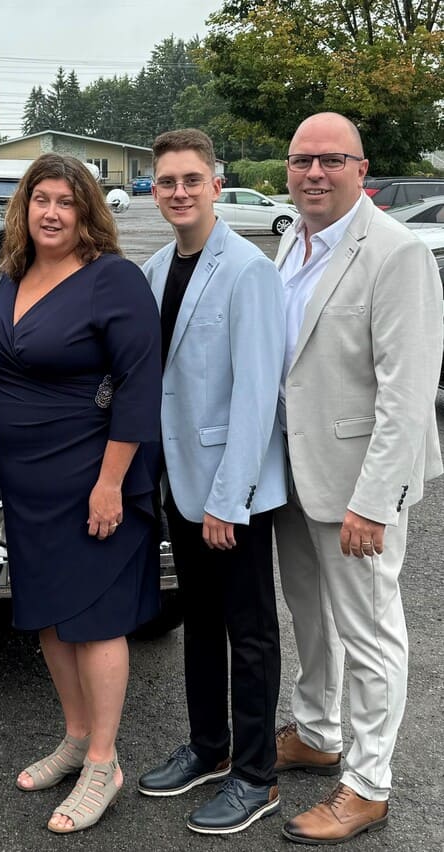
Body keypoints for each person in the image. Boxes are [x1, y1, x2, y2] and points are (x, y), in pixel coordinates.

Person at [0, 152, 162, 834]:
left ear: (87, 211)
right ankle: (77, 737)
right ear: (23, 209)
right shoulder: (15, 275)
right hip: (26, 482)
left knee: (95, 619)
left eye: (65, 201)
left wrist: (110, 484)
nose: (50, 212)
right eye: (39, 199)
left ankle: (105, 763)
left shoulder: (113, 280)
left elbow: (140, 387)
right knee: (50, 616)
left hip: (92, 478)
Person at [273, 112, 443, 845]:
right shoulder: (292, 240)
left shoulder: (396, 253)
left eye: (331, 160)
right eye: (302, 160)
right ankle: (316, 731)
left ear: (360, 167)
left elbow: (407, 394)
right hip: (292, 477)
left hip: (356, 488)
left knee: (370, 633)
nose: (315, 172)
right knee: (309, 619)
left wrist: (374, 503)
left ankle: (369, 785)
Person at [135, 129, 287, 835]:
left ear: (216, 186)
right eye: (167, 181)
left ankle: (257, 776)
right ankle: (209, 746)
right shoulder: (156, 266)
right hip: (180, 484)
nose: (178, 192)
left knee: (249, 633)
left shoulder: (249, 271)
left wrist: (233, 499)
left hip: (233, 492)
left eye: (191, 180)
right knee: (199, 624)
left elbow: (258, 395)